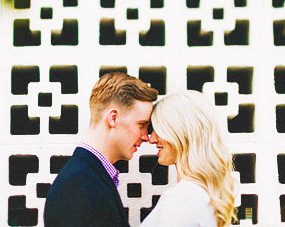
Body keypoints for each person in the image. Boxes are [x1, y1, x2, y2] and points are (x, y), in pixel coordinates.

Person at [44, 71, 158, 226]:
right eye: (141, 124)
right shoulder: (78, 185)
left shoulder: (88, 176)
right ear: (113, 118)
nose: (146, 137)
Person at [141, 90, 237, 227]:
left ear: (180, 132)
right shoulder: (204, 194)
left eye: (158, 129)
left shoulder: (184, 197)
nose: (152, 139)